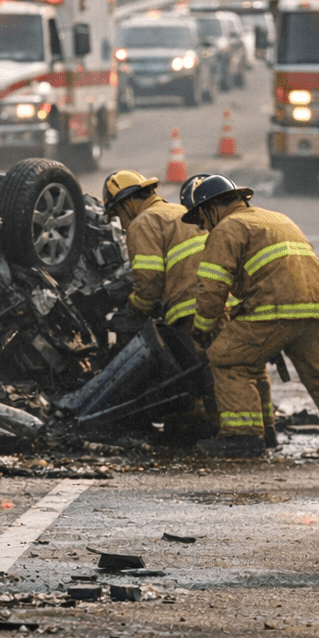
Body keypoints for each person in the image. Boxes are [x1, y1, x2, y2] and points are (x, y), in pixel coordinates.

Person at [184, 173, 319, 460]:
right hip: (318, 310)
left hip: (274, 310)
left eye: (201, 219)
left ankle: (243, 437)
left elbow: (213, 285)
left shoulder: (228, 227)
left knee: (226, 356)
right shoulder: (277, 219)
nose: (203, 227)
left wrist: (203, 328)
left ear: (212, 208)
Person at [101, 170, 215, 440]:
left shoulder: (143, 222)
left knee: (192, 371)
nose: (122, 222)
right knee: (224, 367)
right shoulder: (182, 211)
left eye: (118, 214)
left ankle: (195, 430)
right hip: (219, 299)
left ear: (128, 204)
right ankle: (256, 428)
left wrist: (134, 309)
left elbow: (149, 280)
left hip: (189, 305)